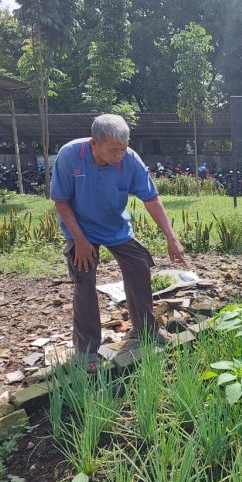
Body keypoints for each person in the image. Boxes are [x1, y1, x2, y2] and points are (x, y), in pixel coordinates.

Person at [51, 114, 186, 370]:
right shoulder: (70, 156)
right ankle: (87, 349)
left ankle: (145, 331)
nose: (119, 155)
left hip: (115, 227)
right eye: (113, 150)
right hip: (81, 229)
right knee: (84, 277)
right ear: (94, 143)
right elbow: (61, 201)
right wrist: (79, 240)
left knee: (138, 265)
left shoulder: (129, 159)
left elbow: (152, 200)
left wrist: (171, 237)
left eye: (123, 149)